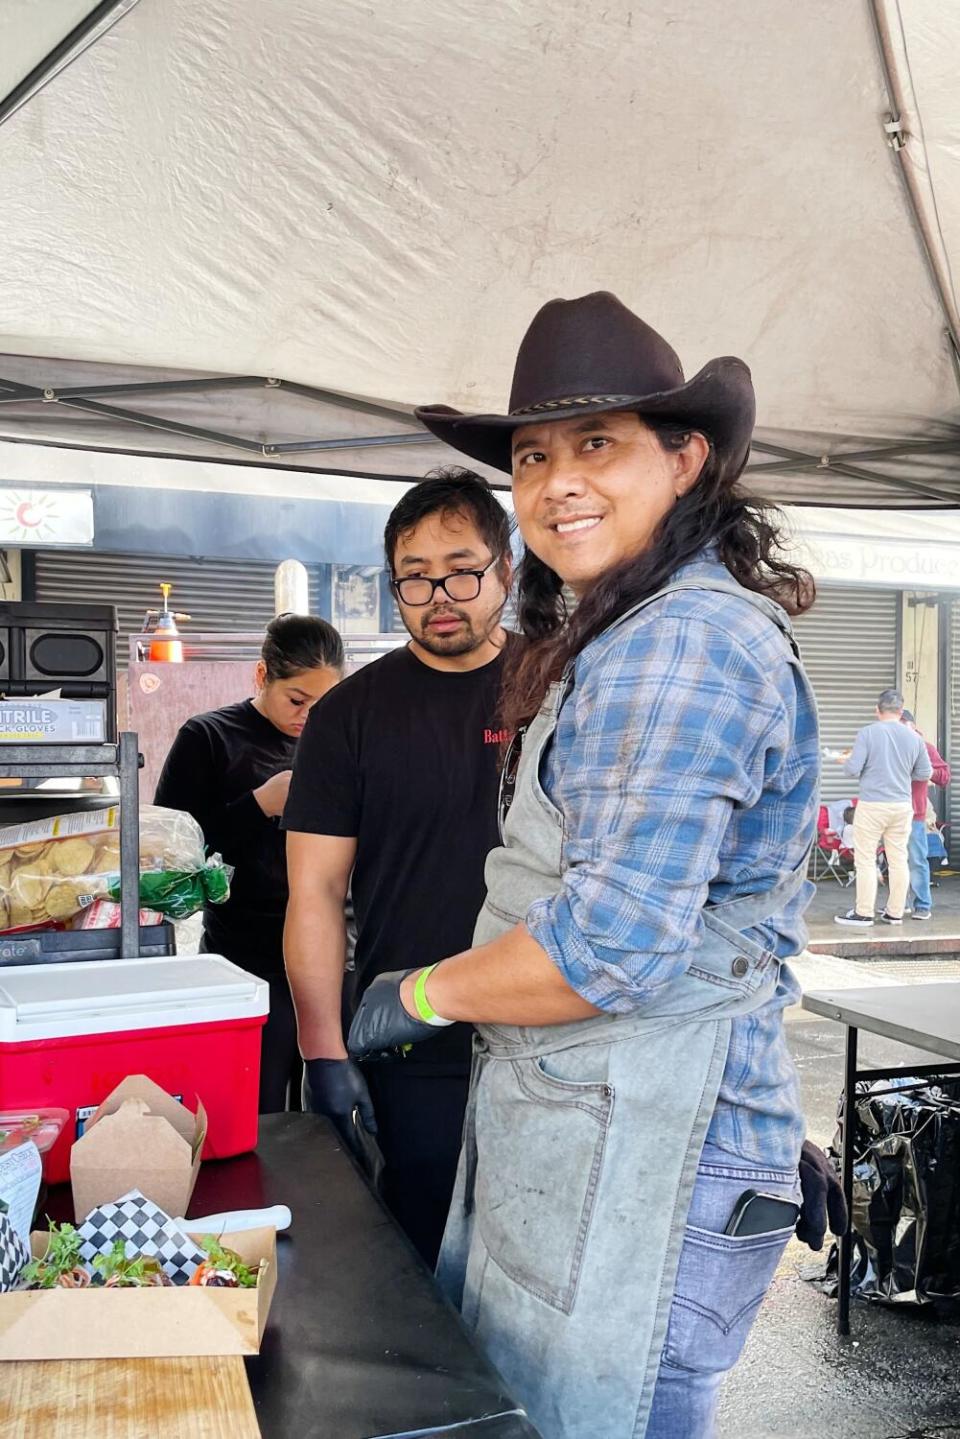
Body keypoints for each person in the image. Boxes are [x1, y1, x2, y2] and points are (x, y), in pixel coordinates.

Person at [347, 291, 844, 1439]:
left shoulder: (681, 643)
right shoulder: (630, 625)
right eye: (533, 454)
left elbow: (612, 947)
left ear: (687, 457)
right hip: (612, 1124)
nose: (558, 479)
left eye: (598, 443)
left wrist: (414, 993)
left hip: (656, 1149)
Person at [283, 469, 515, 1266]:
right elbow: (314, 889)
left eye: (461, 568)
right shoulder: (348, 716)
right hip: (410, 1046)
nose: (439, 592)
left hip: (552, 1043)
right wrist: (323, 1053)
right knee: (418, 1274)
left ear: (505, 571)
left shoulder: (560, 689)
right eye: (414, 577)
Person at [155, 613, 343, 1112]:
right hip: (244, 957)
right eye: (297, 701)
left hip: (332, 952)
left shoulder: (338, 743)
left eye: (324, 704)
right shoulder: (208, 737)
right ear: (262, 676)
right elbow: (169, 856)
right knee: (254, 1111)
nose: (309, 717)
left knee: (330, 1115)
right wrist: (258, 805)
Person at [834, 688, 931, 928]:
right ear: (901, 712)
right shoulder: (915, 738)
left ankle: (864, 913)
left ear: (877, 710)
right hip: (901, 806)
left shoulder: (868, 733)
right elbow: (925, 773)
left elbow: (852, 769)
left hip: (873, 804)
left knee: (865, 859)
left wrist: (845, 761)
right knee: (899, 859)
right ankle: (895, 913)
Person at [900, 707, 951, 920]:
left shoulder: (925, 748)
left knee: (917, 860)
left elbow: (945, 776)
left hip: (914, 815)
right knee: (895, 862)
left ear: (912, 726)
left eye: (902, 726)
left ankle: (922, 906)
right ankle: (898, 905)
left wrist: (927, 771)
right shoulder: (890, 748)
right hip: (890, 813)